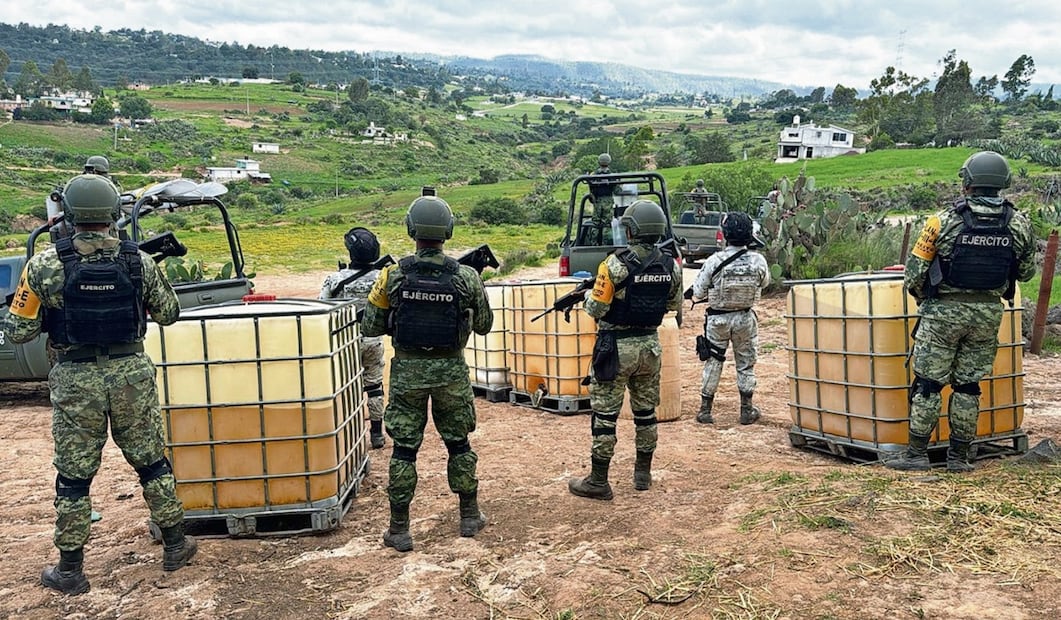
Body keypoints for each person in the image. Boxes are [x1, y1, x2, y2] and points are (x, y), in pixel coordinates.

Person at [2, 174, 195, 595]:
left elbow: (17, 330)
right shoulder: (137, 261)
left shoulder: (44, 265)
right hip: (130, 374)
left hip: (74, 379)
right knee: (151, 463)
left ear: (68, 215)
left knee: (73, 478)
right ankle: (176, 545)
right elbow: (169, 313)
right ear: (113, 214)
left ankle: (70, 570)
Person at [887, 151, 1035, 473]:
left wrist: (925, 297)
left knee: (928, 384)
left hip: (942, 315)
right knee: (968, 386)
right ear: (1003, 183)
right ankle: (959, 458)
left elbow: (913, 274)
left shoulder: (941, 221)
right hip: (986, 317)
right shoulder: (1019, 223)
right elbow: (1026, 273)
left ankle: (915, 455)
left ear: (968, 182)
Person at [362, 192, 493, 552]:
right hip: (452, 372)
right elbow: (484, 325)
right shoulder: (466, 277)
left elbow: (370, 327)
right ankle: (469, 515)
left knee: (404, 450)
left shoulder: (391, 275)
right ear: (448, 231)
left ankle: (399, 529)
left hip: (407, 374)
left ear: (411, 230)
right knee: (459, 444)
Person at [567, 199, 683, 500]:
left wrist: (588, 296)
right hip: (650, 348)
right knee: (646, 414)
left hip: (616, 348)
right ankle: (643, 474)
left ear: (630, 230)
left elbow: (595, 308)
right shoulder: (671, 264)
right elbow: (672, 305)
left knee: (605, 417)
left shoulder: (614, 264)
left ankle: (598, 481)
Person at [690, 211, 771, 426]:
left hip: (718, 320)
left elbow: (698, 291)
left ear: (725, 234)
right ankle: (746, 409)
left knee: (713, 361)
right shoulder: (758, 261)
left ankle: (705, 410)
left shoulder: (714, 260)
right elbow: (764, 283)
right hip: (745, 318)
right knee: (745, 363)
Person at [319, 227, 388, 449]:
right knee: (375, 386)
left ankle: (350, 435)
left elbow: (322, 308)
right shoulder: (382, 277)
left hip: (345, 342)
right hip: (373, 340)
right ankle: (377, 434)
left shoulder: (334, 279)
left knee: (347, 388)